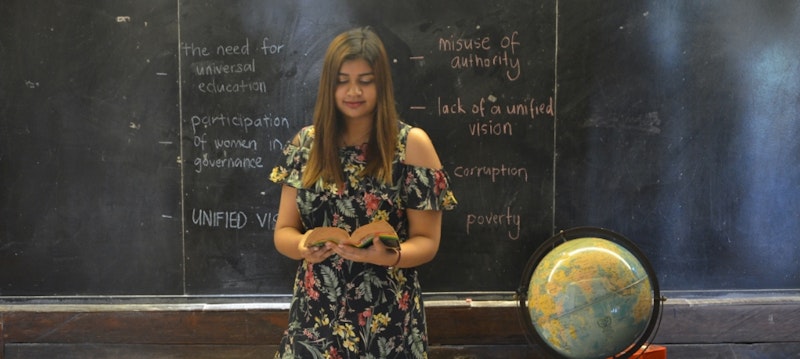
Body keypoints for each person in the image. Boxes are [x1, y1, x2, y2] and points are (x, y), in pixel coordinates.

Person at [269, 26, 457, 359]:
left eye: (365, 81)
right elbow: (283, 231)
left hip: (388, 322)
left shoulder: (411, 146)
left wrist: (391, 255)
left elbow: (427, 241)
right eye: (342, 80)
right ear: (330, 85)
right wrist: (302, 246)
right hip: (315, 320)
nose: (353, 91)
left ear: (381, 84)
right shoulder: (305, 146)